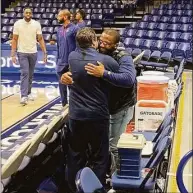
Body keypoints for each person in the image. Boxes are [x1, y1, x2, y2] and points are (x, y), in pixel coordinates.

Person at [61, 29, 136, 173]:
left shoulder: (122, 56)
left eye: (107, 43)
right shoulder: (96, 55)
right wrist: (65, 76)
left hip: (120, 106)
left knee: (114, 145)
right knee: (103, 146)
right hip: (106, 107)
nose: (102, 44)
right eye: (101, 40)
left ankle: (117, 177)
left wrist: (104, 73)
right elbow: (76, 71)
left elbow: (128, 79)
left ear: (115, 44)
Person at [66, 27, 119, 192]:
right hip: (97, 116)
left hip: (76, 116)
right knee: (99, 158)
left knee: (75, 155)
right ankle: (96, 188)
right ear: (94, 42)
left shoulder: (72, 57)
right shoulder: (106, 61)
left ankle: (74, 188)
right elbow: (119, 79)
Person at [11, 7, 47, 105]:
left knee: (30, 74)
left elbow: (40, 39)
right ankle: (23, 96)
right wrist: (13, 54)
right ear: (23, 14)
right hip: (22, 52)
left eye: (29, 13)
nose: (28, 14)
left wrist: (45, 52)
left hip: (33, 52)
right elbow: (14, 39)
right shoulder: (17, 24)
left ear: (31, 14)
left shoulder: (36, 24)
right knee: (25, 73)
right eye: (26, 12)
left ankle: (29, 92)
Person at [56, 9, 79, 107]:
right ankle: (64, 103)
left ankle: (74, 104)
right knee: (61, 84)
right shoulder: (59, 30)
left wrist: (76, 59)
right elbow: (58, 46)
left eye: (59, 16)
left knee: (72, 84)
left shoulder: (75, 29)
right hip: (61, 62)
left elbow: (78, 46)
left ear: (65, 17)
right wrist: (57, 59)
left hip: (71, 62)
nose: (57, 18)